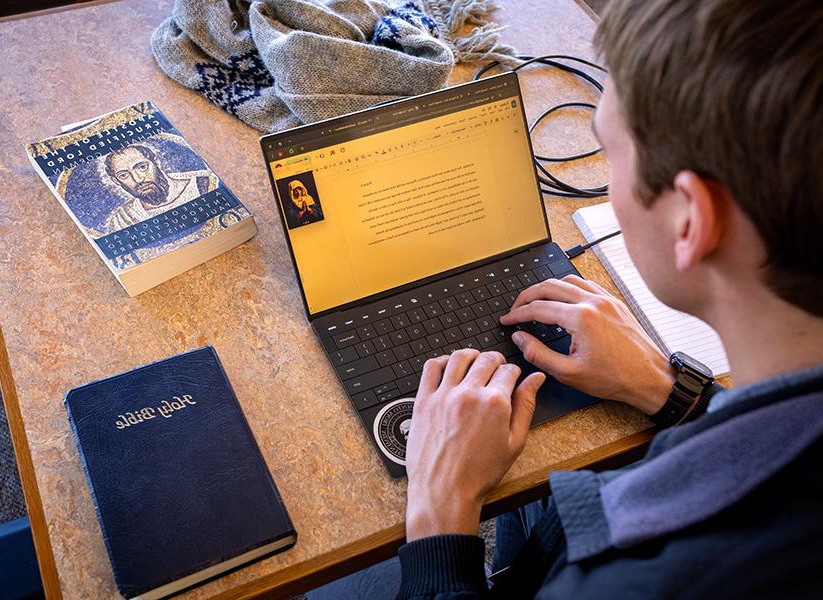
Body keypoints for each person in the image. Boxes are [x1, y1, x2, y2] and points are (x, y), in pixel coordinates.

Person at [310, 0, 823, 597]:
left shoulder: (630, 582)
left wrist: (438, 516)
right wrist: (670, 392)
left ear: (690, 220)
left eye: (611, 152)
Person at [103, 144, 217, 231]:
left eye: (142, 167)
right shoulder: (123, 219)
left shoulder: (205, 185)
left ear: (156, 163)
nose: (138, 179)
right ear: (116, 181)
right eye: (123, 175)